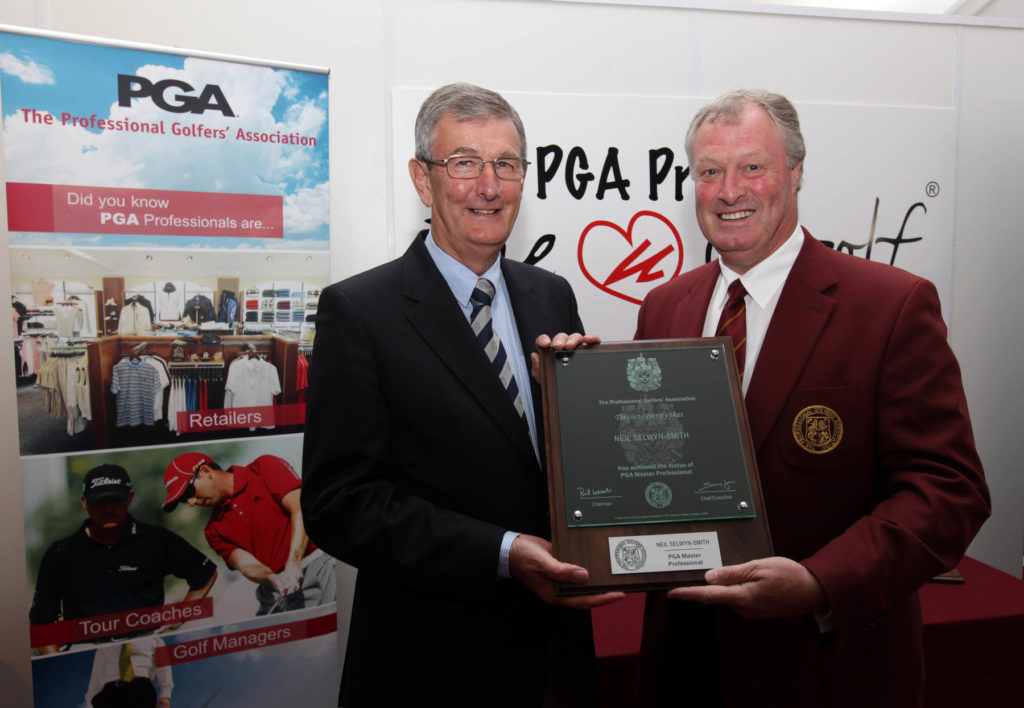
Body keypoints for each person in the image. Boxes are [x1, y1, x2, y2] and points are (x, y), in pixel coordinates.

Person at [634, 89, 990, 708]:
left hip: (821, 665)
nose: (728, 191)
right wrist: (568, 390)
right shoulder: (665, 306)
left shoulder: (891, 306)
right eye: (709, 171)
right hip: (683, 658)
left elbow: (950, 491)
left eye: (752, 167)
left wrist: (821, 582)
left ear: (795, 172)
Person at [301, 82, 622, 707]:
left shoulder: (551, 295)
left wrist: (574, 405)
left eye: (506, 164)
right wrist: (502, 553)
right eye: (465, 163)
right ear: (423, 180)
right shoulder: (361, 311)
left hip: (555, 650)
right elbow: (340, 504)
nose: (489, 186)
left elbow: (558, 466)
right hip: (432, 659)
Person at [30, 464, 217, 654]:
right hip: (85, 653)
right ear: (84, 502)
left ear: (130, 498)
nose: (108, 509)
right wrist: (60, 663)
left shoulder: (156, 540)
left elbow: (205, 572)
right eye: (99, 502)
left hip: (145, 647)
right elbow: (40, 623)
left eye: (115, 500)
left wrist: (181, 615)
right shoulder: (61, 553)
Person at [162, 452, 334, 615]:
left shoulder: (264, 468)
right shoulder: (213, 531)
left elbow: (299, 509)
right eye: (184, 500)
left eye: (189, 492)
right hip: (276, 588)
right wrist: (272, 578)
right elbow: (247, 565)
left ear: (206, 471)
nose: (191, 502)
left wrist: (293, 562)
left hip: (319, 566)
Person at [84, 636, 172, 708]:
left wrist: (165, 694)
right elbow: (96, 675)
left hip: (141, 690)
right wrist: (89, 705)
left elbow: (164, 667)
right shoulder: (105, 643)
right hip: (112, 691)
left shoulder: (153, 638)